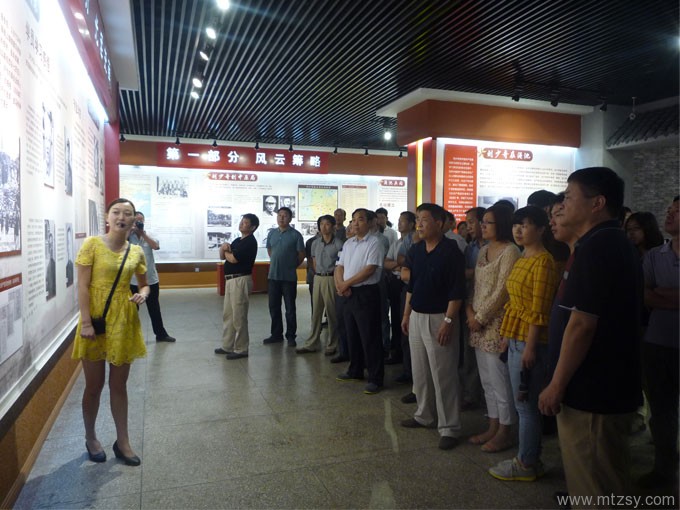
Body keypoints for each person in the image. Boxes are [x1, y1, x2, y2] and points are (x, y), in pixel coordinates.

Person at [538, 167, 643, 503]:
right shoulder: (598, 243)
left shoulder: (601, 246)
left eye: (569, 197)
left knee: (596, 486)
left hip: (595, 391)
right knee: (600, 481)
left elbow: (583, 325)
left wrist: (556, 384)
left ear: (597, 203)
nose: (562, 204)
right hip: (595, 388)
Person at [72, 198, 149, 466]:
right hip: (95, 319)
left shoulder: (136, 251)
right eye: (116, 212)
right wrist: (86, 322)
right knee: (94, 385)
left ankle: (122, 441)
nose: (121, 217)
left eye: (127, 213)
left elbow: (145, 284)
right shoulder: (92, 245)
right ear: (107, 217)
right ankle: (91, 437)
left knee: (119, 385)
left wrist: (143, 294)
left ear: (134, 220)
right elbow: (82, 286)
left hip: (123, 320)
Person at [489, 205, 559, 482]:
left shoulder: (543, 261)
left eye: (526, 225)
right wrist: (507, 336)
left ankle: (526, 463)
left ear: (541, 229)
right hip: (516, 337)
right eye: (516, 225)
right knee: (523, 404)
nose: (518, 230)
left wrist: (530, 347)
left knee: (526, 406)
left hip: (531, 342)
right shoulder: (523, 257)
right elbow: (515, 303)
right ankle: (531, 457)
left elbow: (539, 310)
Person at [400, 203, 465, 450]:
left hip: (440, 318)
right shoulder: (417, 250)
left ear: (439, 223)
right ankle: (424, 415)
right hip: (417, 315)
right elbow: (412, 286)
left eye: (424, 219)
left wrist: (449, 321)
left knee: (443, 374)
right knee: (421, 372)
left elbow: (457, 291)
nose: (419, 224)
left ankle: (449, 427)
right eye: (417, 219)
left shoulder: (451, 251)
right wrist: (406, 314)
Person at [466, 205, 520, 452]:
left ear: (502, 224)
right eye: (483, 222)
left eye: (488, 222)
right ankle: (493, 425)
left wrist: (481, 317)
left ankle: (506, 431)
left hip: (496, 324)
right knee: (487, 381)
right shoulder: (483, 250)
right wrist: (470, 313)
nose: (483, 226)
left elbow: (502, 291)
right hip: (477, 324)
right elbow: (477, 287)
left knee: (500, 382)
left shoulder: (510, 251)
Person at [637, 196, 678, 490]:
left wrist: (662, 293)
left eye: (678, 211)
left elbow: (654, 293)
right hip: (658, 342)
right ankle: (664, 470)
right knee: (661, 412)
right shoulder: (654, 255)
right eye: (670, 210)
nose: (670, 214)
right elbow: (644, 294)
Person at [335, 208, 384, 394]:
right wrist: (341, 285)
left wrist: (346, 284)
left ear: (370, 223)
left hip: (366, 293)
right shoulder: (349, 243)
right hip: (348, 293)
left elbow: (370, 269)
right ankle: (355, 370)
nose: (355, 223)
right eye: (353, 219)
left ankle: (375, 378)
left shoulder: (375, 242)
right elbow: (339, 266)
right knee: (352, 333)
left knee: (369, 336)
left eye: (360, 219)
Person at [297, 215, 344, 355]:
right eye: (321, 224)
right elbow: (314, 261)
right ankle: (312, 343)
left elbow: (341, 265)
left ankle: (333, 344)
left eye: (327, 224)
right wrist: (318, 273)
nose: (324, 227)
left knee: (331, 313)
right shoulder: (315, 243)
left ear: (333, 226)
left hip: (331, 278)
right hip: (317, 278)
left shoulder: (339, 244)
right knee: (316, 311)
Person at [215, 214, 259, 360]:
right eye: (241, 221)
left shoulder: (250, 242)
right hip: (230, 280)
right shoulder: (238, 240)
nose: (241, 224)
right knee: (228, 315)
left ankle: (241, 348)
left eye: (245, 222)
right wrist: (223, 247)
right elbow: (222, 257)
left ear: (252, 227)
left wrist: (226, 250)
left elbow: (233, 259)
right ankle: (227, 345)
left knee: (239, 316)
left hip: (240, 280)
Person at [129, 212, 176, 342]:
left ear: (144, 221)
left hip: (151, 280)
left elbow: (156, 246)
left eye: (140, 221)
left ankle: (161, 334)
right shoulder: (128, 237)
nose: (138, 223)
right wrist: (129, 230)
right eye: (136, 221)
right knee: (131, 310)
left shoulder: (149, 235)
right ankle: (130, 336)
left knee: (154, 308)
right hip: (133, 281)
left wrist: (143, 233)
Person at [264, 206, 305, 346]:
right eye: (279, 215)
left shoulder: (296, 235)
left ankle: (291, 336)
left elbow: (301, 254)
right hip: (273, 277)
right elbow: (270, 250)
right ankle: (276, 334)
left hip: (289, 278)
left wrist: (291, 265)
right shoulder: (272, 233)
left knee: (290, 309)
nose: (281, 218)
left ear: (290, 218)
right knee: (274, 307)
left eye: (285, 215)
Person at [45, 228, 56, 300]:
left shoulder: (54, 264)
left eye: (52, 244)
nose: (51, 247)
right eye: (50, 244)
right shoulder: (46, 264)